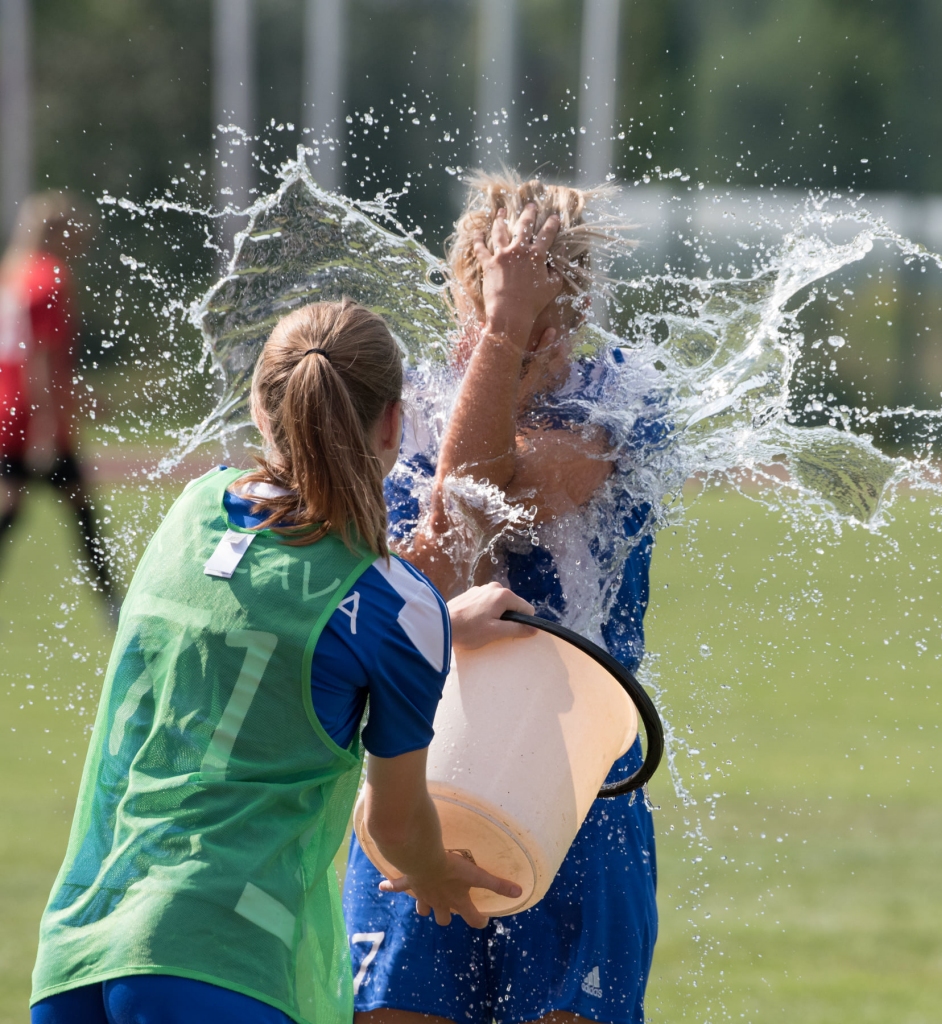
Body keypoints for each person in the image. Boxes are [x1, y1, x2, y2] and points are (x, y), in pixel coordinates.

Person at [30, 299, 536, 1024]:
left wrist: (441, 628)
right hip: (223, 962)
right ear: (393, 424)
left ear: (260, 410)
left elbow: (261, 617)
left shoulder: (192, 512)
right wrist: (432, 872)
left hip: (79, 946)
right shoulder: (399, 608)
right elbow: (395, 827)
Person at [344, 174, 662, 1024]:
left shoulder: (624, 392)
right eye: (509, 290)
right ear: (467, 288)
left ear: (582, 296)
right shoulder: (411, 404)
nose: (535, 319)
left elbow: (491, 492)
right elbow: (447, 544)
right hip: (419, 752)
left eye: (548, 293)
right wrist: (503, 338)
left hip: (575, 774)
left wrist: (503, 340)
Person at [0, 192, 118, 615]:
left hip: (7, 410)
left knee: (13, 502)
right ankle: (113, 605)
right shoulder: (50, 277)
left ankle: (112, 601)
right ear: (59, 231)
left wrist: (78, 394)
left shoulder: (11, 274)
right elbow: (40, 357)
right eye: (79, 231)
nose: (84, 240)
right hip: (35, 416)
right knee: (80, 508)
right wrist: (47, 425)